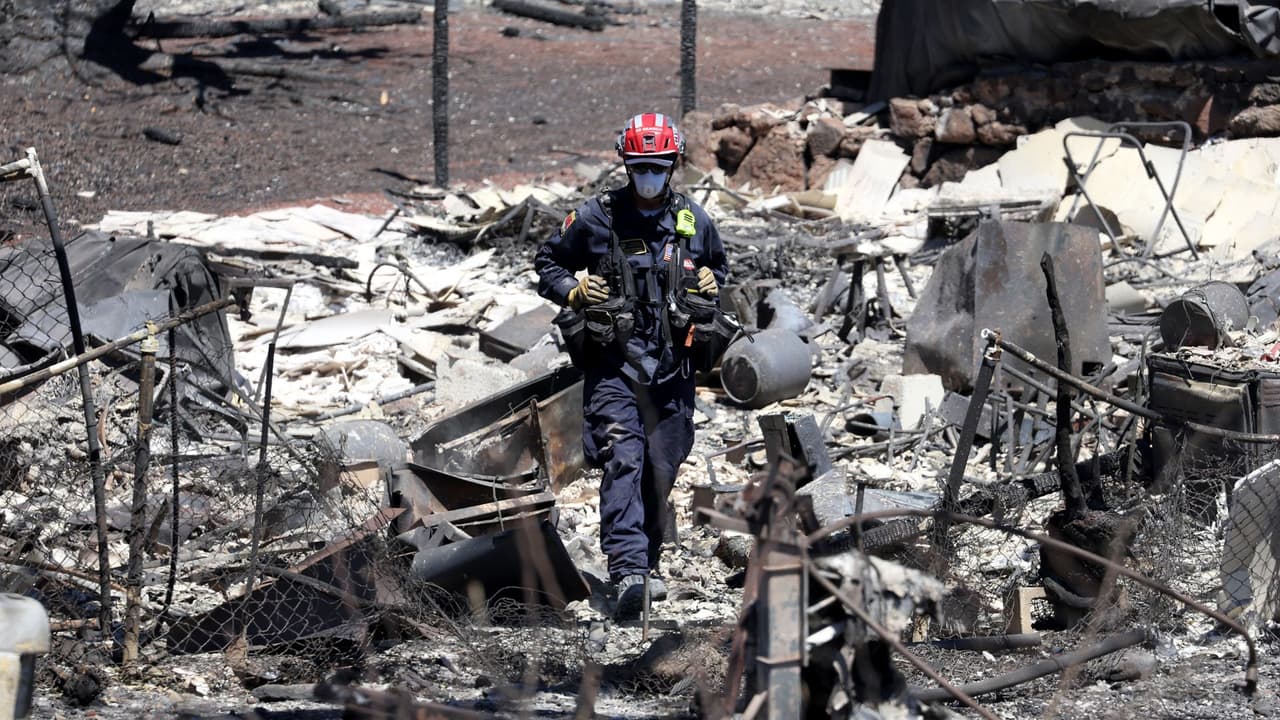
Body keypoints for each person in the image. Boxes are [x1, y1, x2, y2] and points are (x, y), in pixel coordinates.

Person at [534, 112, 728, 620]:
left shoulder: (692, 219)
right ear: (625, 164)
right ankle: (628, 573)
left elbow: (718, 266)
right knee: (624, 457)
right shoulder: (597, 216)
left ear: (673, 166)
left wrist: (710, 283)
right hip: (614, 367)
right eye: (639, 166)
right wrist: (573, 292)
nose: (648, 176)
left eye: (657, 167)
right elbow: (547, 260)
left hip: (673, 370)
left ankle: (652, 560)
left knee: (662, 466)